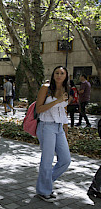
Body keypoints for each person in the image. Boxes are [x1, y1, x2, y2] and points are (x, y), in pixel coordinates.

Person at [35, 66, 71, 202]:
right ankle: (44, 190)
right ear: (53, 74)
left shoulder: (66, 89)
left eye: (62, 73)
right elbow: (39, 109)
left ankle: (44, 183)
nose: (59, 75)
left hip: (59, 127)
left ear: (66, 76)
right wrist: (57, 100)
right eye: (57, 73)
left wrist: (65, 130)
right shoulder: (46, 87)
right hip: (46, 126)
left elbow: (64, 111)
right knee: (47, 160)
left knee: (65, 160)